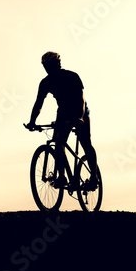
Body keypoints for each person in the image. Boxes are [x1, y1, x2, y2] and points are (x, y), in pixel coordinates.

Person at [26, 51, 98, 189]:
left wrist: (79, 118)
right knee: (58, 143)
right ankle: (62, 177)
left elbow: (81, 99)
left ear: (57, 64)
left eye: (50, 65)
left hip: (80, 110)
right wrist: (32, 122)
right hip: (63, 112)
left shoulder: (72, 76)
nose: (47, 69)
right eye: (45, 67)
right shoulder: (45, 83)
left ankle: (94, 178)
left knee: (86, 143)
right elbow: (38, 103)